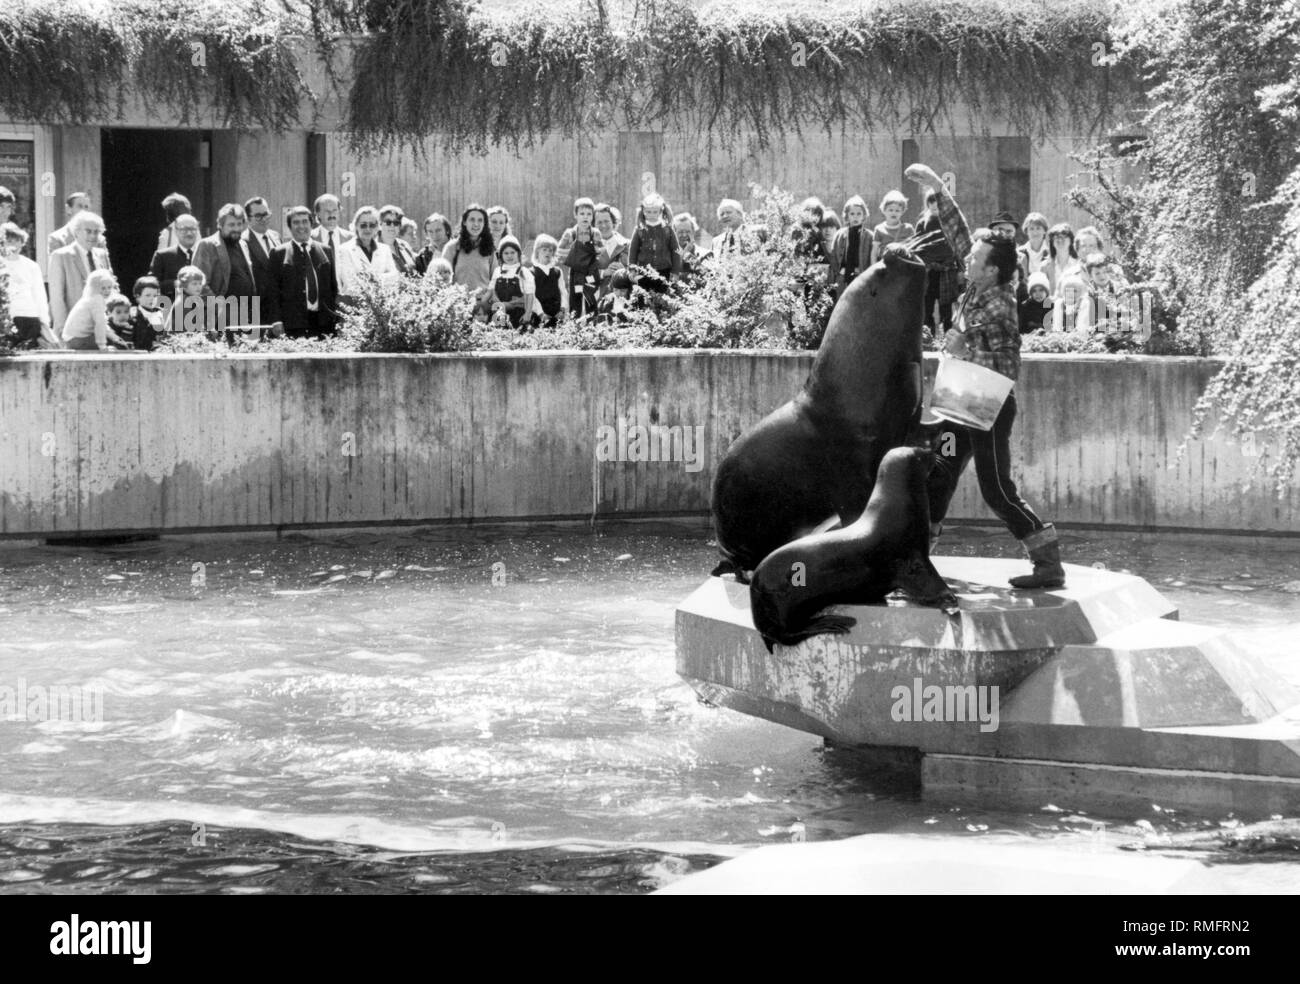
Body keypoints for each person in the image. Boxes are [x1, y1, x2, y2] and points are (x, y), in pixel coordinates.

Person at [906, 161, 1065, 590]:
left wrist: (965, 344)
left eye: (976, 258)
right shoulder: (978, 282)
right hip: (961, 399)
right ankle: (919, 559)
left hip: (990, 406)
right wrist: (938, 188)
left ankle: (1047, 562)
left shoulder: (1000, 301)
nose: (967, 257)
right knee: (939, 475)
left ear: (992, 268)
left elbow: (1008, 363)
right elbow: (961, 235)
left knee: (996, 489)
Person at [266, 205, 338, 338]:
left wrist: (335, 318)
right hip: (293, 324)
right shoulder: (279, 253)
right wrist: (276, 320)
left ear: (311, 224)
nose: (301, 226)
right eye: (296, 222)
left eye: (305, 221)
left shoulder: (326, 250)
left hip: (323, 323)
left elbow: (333, 288)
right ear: (290, 227)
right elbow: (273, 292)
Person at [192, 203, 260, 327]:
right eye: (231, 224)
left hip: (245, 314)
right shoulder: (207, 245)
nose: (236, 228)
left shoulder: (243, 245)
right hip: (218, 317)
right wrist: (221, 308)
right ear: (220, 225)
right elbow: (198, 284)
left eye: (239, 224)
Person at [48, 210, 112, 338]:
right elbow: (57, 298)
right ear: (76, 231)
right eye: (88, 231)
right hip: (74, 328)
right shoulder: (61, 256)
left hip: (100, 326)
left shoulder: (101, 255)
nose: (93, 236)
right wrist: (63, 330)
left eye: (96, 232)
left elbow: (111, 286)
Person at [1, 222, 54, 348]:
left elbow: (40, 296)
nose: (14, 245)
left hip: (30, 318)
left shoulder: (31, 266)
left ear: (22, 242)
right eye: (9, 241)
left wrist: (44, 322)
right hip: (7, 320)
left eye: (17, 240)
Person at [916, 190, 962, 335]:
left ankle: (948, 337)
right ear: (928, 204)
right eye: (933, 205)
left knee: (946, 308)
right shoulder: (923, 223)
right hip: (929, 270)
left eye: (939, 206)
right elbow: (918, 246)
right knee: (927, 305)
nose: (936, 208)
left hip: (947, 270)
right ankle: (928, 337)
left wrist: (960, 267)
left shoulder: (950, 223)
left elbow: (958, 245)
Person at [334, 205, 400, 297]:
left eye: (372, 225)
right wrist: (382, 279)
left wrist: (372, 278)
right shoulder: (345, 250)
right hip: (355, 305)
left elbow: (394, 277)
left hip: (381, 305)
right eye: (363, 225)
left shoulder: (385, 249)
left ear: (377, 227)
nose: (368, 229)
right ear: (356, 226)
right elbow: (350, 284)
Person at [439, 203, 496, 308]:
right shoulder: (452, 247)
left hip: (482, 307)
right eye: (472, 220)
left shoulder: (490, 249)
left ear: (484, 224)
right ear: (464, 222)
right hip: (458, 305)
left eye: (480, 220)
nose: (476, 224)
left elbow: (495, 280)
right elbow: (441, 278)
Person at [558, 197, 605, 318]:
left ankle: (592, 326)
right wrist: (573, 253)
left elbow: (602, 252)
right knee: (575, 300)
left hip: (591, 273)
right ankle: (575, 328)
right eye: (582, 213)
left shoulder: (595, 233)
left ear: (593, 216)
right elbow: (559, 251)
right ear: (575, 215)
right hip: (576, 274)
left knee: (591, 299)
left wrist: (597, 250)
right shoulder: (570, 233)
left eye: (589, 214)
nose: (585, 217)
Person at [62, 269, 129, 351]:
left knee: (115, 341)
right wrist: (103, 347)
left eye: (109, 287)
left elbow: (104, 325)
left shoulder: (91, 298)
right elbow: (99, 324)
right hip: (77, 339)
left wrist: (115, 337)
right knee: (115, 346)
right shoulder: (96, 300)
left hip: (71, 338)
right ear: (95, 288)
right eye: (103, 288)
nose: (107, 291)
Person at [628, 192, 681, 292]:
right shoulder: (640, 230)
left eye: (654, 212)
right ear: (643, 211)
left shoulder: (667, 230)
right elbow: (633, 251)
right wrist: (632, 269)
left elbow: (676, 250)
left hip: (664, 271)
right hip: (644, 271)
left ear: (660, 211)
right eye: (648, 212)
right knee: (644, 297)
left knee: (663, 296)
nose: (651, 215)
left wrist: (675, 271)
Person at [149, 212, 201, 299]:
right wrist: (175, 284)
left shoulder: (206, 255)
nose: (189, 233)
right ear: (176, 231)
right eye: (184, 229)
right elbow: (151, 285)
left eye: (192, 229)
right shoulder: (162, 256)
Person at [243, 196, 281, 313]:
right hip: (257, 308)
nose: (264, 219)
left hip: (279, 306)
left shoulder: (276, 236)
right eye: (258, 216)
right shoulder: (243, 241)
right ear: (248, 219)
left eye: (266, 214)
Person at [487, 235, 534, 329]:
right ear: (500, 255)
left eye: (513, 252)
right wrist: (499, 303)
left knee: (519, 335)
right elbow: (492, 290)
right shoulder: (497, 271)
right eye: (506, 253)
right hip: (500, 311)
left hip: (518, 312)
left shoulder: (523, 272)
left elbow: (529, 295)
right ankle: (499, 332)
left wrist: (528, 314)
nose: (509, 256)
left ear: (518, 253)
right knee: (499, 333)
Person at [311, 193, 354, 293]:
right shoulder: (310, 239)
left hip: (346, 297)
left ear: (339, 212)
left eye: (334, 210)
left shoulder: (350, 238)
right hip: (321, 297)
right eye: (327, 211)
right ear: (318, 214)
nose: (331, 214)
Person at [829, 194, 870, 298]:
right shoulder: (840, 234)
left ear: (864, 215)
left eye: (859, 213)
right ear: (847, 216)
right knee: (841, 302)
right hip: (843, 275)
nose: (855, 216)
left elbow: (871, 257)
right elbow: (833, 254)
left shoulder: (869, 236)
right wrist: (838, 271)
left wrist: (863, 271)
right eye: (852, 213)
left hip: (861, 276)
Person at [530, 234, 567, 327]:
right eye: (544, 250)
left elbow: (563, 292)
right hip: (540, 315)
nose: (548, 253)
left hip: (557, 315)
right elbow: (532, 296)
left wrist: (562, 310)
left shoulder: (557, 271)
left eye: (550, 250)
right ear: (537, 251)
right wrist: (541, 314)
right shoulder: (531, 272)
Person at [593, 203, 630, 297]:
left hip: (622, 299)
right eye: (599, 222)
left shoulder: (627, 245)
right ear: (593, 225)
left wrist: (624, 270)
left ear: (613, 222)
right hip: (596, 298)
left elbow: (637, 272)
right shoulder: (588, 248)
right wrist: (603, 273)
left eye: (607, 221)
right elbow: (582, 276)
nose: (603, 225)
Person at [870, 190, 915, 265]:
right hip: (885, 266)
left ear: (902, 211)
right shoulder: (879, 229)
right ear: (884, 210)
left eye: (897, 210)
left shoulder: (908, 228)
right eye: (890, 210)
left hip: (903, 266)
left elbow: (913, 250)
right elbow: (874, 252)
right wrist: (874, 269)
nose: (894, 213)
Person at [1041, 223, 1082, 296]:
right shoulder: (1044, 266)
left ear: (1071, 241)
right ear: (1052, 242)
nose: (1060, 240)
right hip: (1051, 306)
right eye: (1056, 237)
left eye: (1064, 237)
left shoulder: (1079, 265)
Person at [128, 276, 166, 351]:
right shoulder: (132, 316)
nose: (152, 299)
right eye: (148, 295)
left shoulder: (163, 315)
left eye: (155, 296)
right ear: (138, 296)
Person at [48, 191, 92, 255]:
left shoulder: (97, 238)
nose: (83, 210)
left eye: (86, 207)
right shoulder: (56, 238)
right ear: (68, 209)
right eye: (79, 206)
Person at [378, 204, 418, 275]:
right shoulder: (374, 248)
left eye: (396, 223)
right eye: (388, 222)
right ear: (380, 224)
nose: (392, 226)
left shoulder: (405, 246)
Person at [168, 266, 209, 334]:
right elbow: (186, 331)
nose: (198, 286)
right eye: (194, 284)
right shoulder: (183, 302)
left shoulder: (192, 299)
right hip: (178, 340)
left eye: (200, 283)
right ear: (184, 286)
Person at [673, 212, 709, 279]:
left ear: (693, 232)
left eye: (688, 231)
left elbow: (707, 276)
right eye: (680, 232)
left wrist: (687, 255)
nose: (684, 235)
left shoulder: (705, 254)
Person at [1017, 212, 1050, 282]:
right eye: (1031, 229)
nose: (1035, 232)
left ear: (1044, 230)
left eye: (1038, 228)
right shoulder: (1018, 253)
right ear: (1026, 231)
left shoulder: (1051, 253)